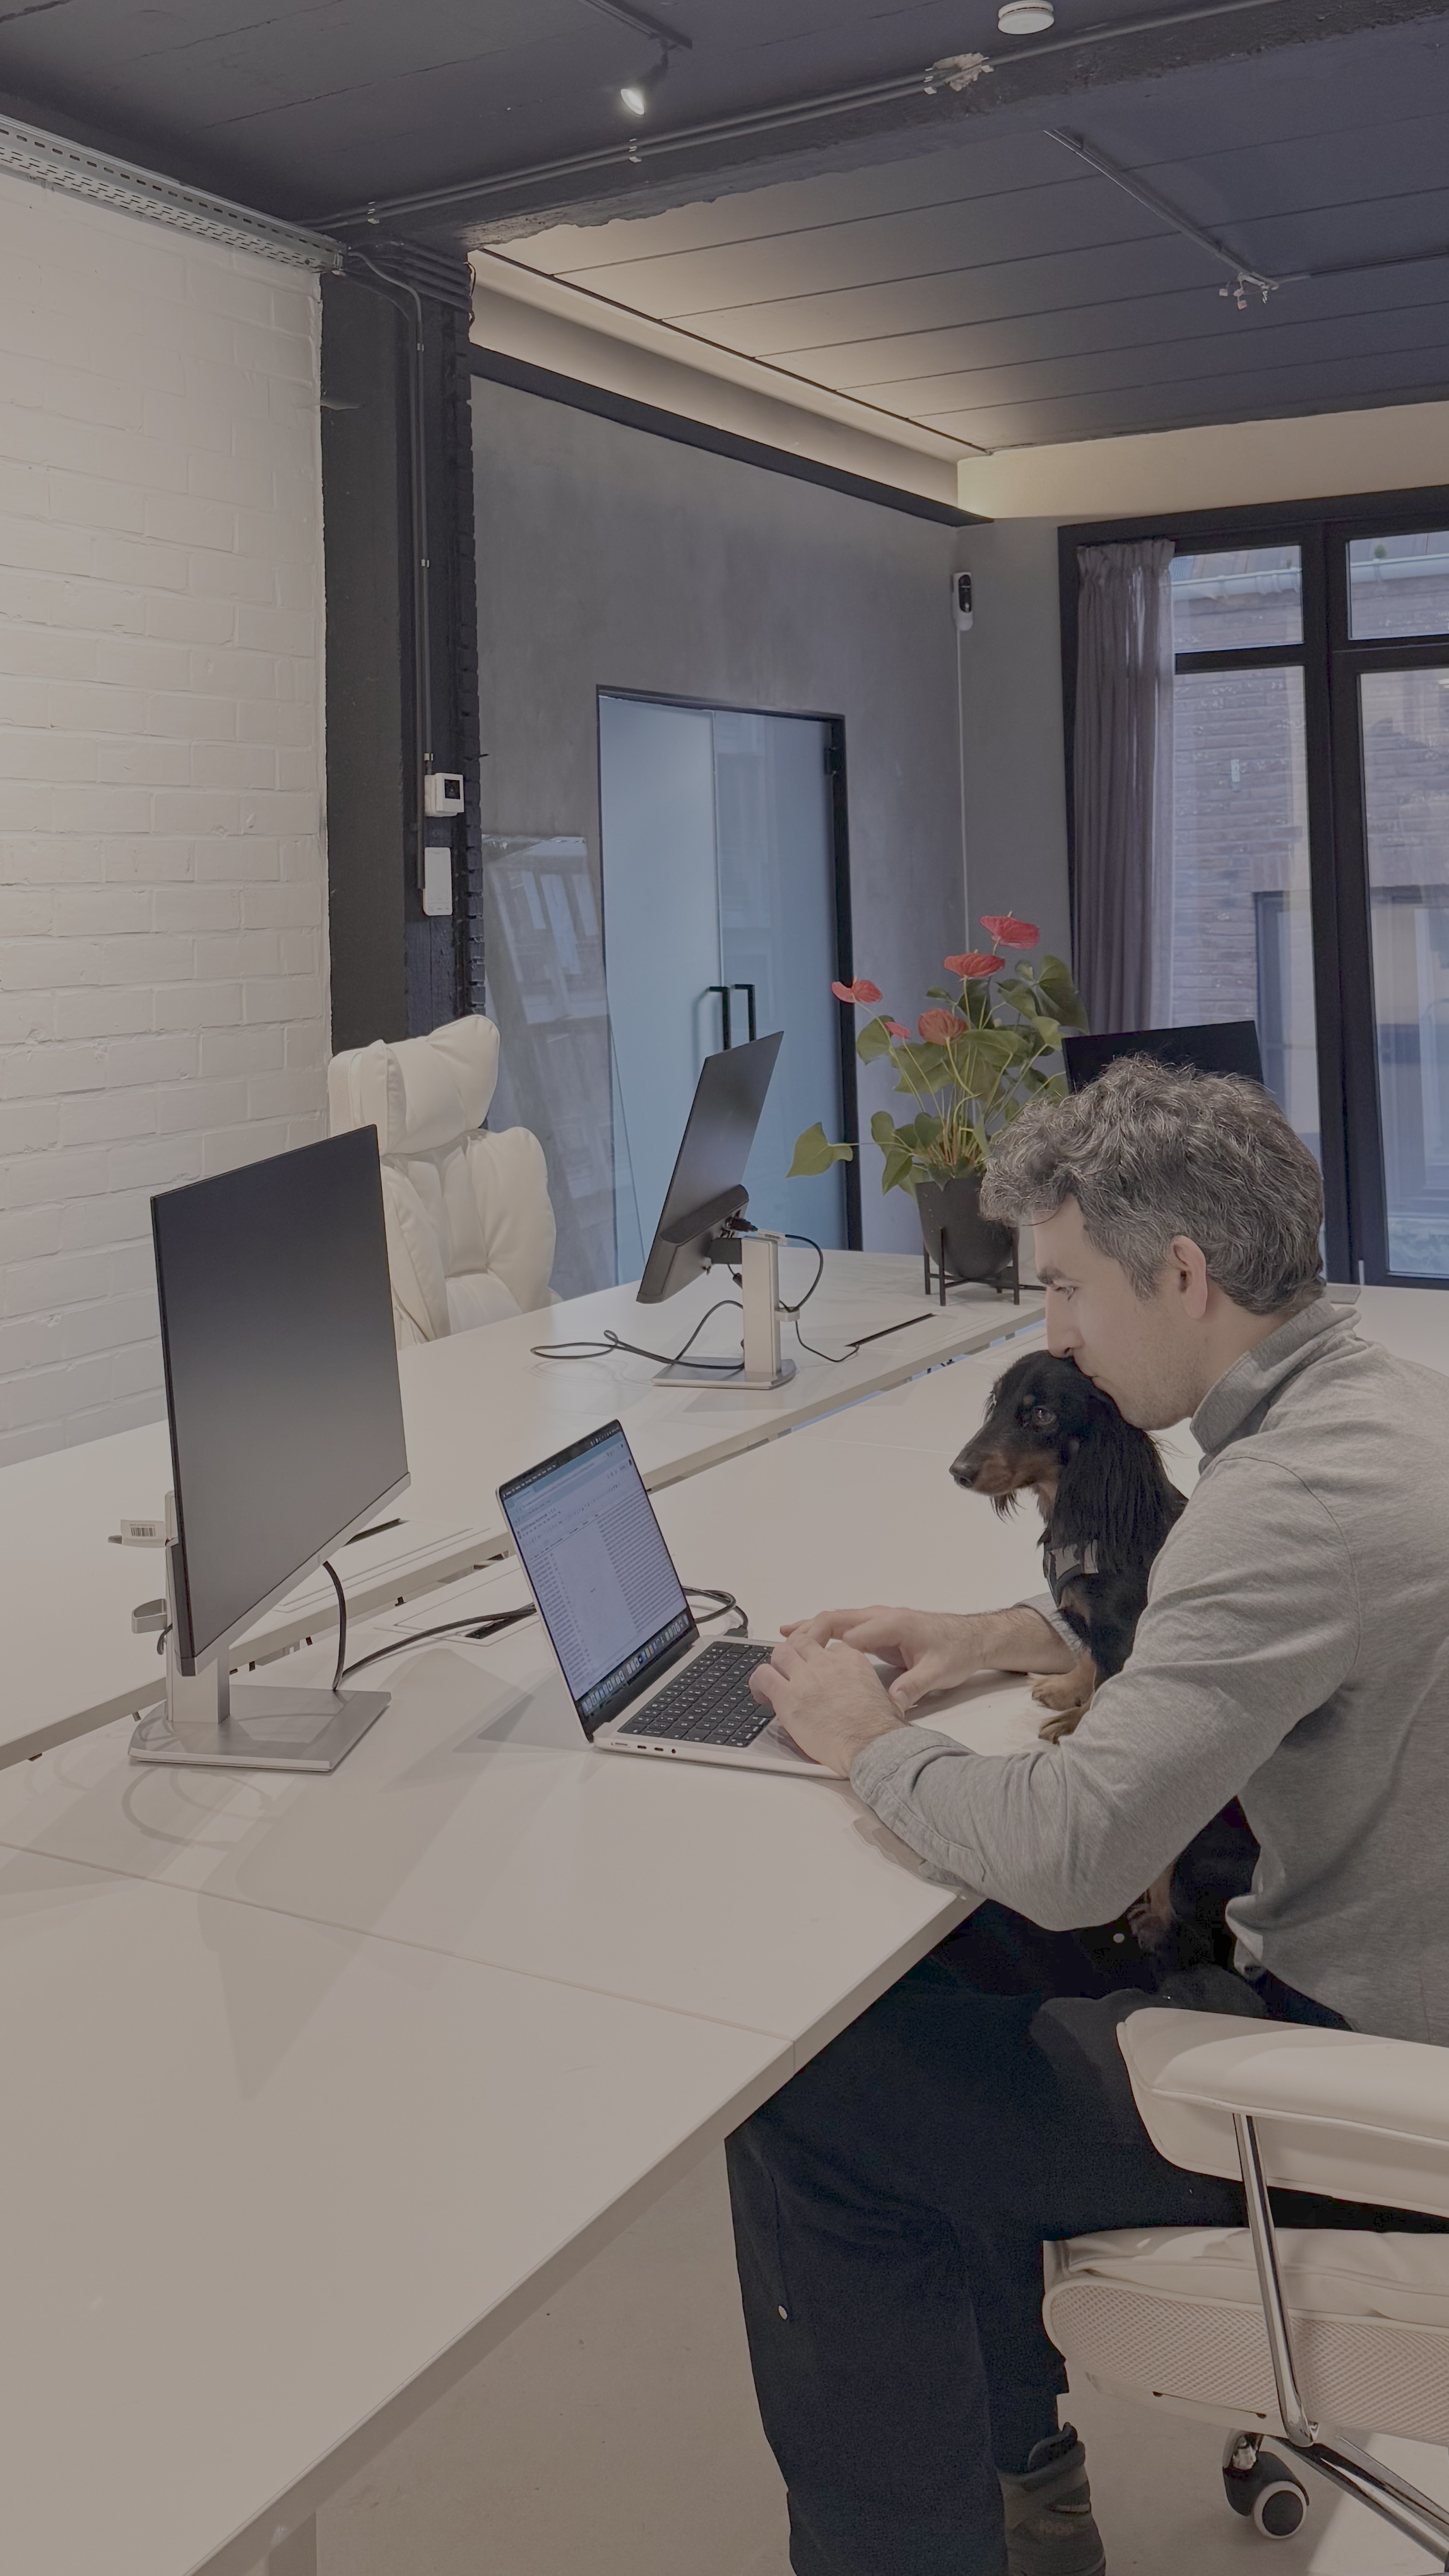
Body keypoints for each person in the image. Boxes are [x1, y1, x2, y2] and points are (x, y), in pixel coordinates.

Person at [729, 1057, 1449, 2576]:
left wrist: (866, 1741)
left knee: (808, 2090)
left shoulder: (1287, 1498)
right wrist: (1014, 1634)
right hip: (1395, 1994)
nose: (1050, 1330)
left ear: (1178, 1274)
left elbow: (1071, 1855)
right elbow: (1276, 1640)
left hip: (1361, 2098)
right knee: (929, 1978)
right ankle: (1017, 2475)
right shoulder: (1376, 1403)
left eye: (1064, 1286)